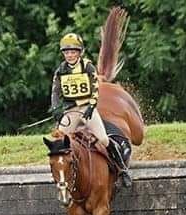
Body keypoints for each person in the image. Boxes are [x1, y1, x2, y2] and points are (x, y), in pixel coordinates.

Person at [50, 33, 132, 187]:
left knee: (103, 139)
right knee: (58, 142)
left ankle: (122, 169)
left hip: (88, 109)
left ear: (79, 52)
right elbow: (55, 91)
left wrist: (92, 106)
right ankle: (59, 173)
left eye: (73, 52)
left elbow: (95, 88)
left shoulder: (88, 66)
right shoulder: (60, 70)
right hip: (72, 111)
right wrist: (56, 108)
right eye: (67, 52)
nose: (70, 55)